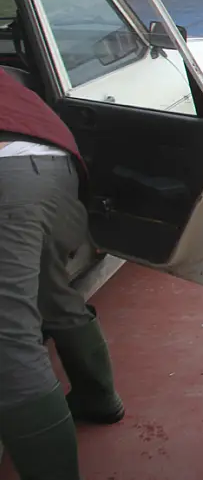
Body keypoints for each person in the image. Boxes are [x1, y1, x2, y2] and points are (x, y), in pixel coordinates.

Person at [0, 70, 126, 479]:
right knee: (48, 288)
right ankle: (98, 396)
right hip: (56, 165)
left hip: (7, 175)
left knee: (8, 337)